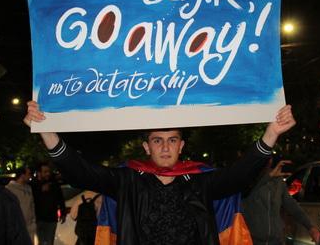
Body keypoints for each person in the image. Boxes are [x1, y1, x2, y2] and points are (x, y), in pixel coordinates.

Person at [24, 101, 296, 245]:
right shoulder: (128, 179)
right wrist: (46, 131)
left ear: (181, 145)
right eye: (157, 140)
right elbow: (81, 173)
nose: (165, 147)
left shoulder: (201, 180)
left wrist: (271, 133)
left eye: (172, 140)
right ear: (146, 146)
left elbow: (239, 175)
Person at [241, 158, 320, 245]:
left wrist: (310, 227)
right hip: (252, 240)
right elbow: (247, 196)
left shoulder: (277, 180)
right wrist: (268, 176)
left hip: (276, 240)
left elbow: (291, 204)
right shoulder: (249, 180)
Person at [31, 162, 67, 245]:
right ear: (39, 173)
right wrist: (40, 190)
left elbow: (60, 199)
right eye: (45, 172)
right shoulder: (33, 185)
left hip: (51, 219)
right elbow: (30, 200)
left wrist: (63, 213)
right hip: (38, 219)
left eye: (48, 171)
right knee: (40, 242)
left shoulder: (54, 184)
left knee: (49, 242)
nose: (48, 174)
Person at [6, 166, 38, 244]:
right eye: (28, 174)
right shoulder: (9, 189)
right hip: (17, 230)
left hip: (30, 228)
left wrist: (33, 223)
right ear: (22, 175)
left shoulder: (28, 188)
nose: (30, 176)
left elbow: (32, 206)